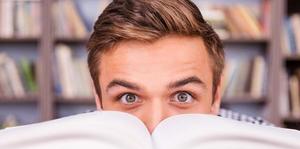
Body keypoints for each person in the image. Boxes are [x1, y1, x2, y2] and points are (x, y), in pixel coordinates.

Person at [86, 0, 270, 133]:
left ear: (215, 96)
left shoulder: (266, 144)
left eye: (183, 96)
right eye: (129, 97)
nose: (156, 125)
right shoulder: (65, 145)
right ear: (99, 100)